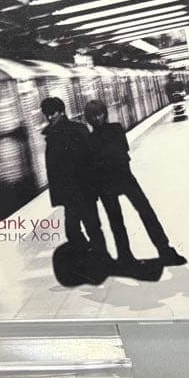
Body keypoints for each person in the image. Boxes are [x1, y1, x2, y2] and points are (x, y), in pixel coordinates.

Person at [84, 99, 187, 266]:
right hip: (115, 179)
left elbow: (115, 153)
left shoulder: (99, 136)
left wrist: (103, 159)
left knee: (138, 214)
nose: (97, 118)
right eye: (93, 116)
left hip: (117, 179)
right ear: (89, 119)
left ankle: (161, 250)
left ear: (105, 113)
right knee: (126, 217)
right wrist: (108, 157)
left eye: (99, 114)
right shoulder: (112, 131)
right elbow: (118, 152)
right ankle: (132, 255)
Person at [40, 97, 109, 258]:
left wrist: (94, 184)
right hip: (70, 193)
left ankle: (101, 258)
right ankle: (92, 255)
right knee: (74, 230)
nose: (49, 117)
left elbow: (91, 156)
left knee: (91, 227)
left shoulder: (77, 129)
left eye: (52, 113)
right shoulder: (52, 134)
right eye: (47, 114)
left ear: (62, 112)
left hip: (84, 189)